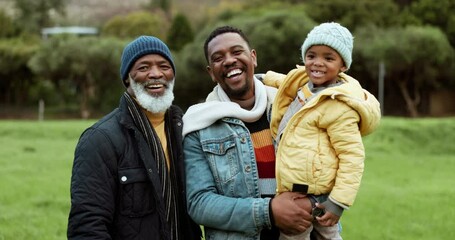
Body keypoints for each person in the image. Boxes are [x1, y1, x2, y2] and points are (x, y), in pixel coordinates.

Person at [181, 25, 313, 240]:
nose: (229, 60)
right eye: (218, 57)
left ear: (253, 57)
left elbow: (324, 164)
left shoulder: (294, 107)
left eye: (236, 51)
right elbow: (199, 203)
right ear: (211, 73)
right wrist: (268, 212)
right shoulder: (198, 124)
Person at [67, 35, 202, 240]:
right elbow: (87, 226)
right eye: (144, 67)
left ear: (173, 74)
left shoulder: (187, 129)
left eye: (164, 66)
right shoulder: (100, 139)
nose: (156, 74)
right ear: (127, 78)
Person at [261, 22, 381, 240]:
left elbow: (351, 156)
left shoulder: (338, 104)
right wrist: (262, 78)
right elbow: (285, 80)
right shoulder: (304, 83)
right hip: (295, 188)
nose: (317, 63)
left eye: (328, 58)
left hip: (318, 196)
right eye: (311, 55)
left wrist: (338, 203)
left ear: (343, 66)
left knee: (320, 235)